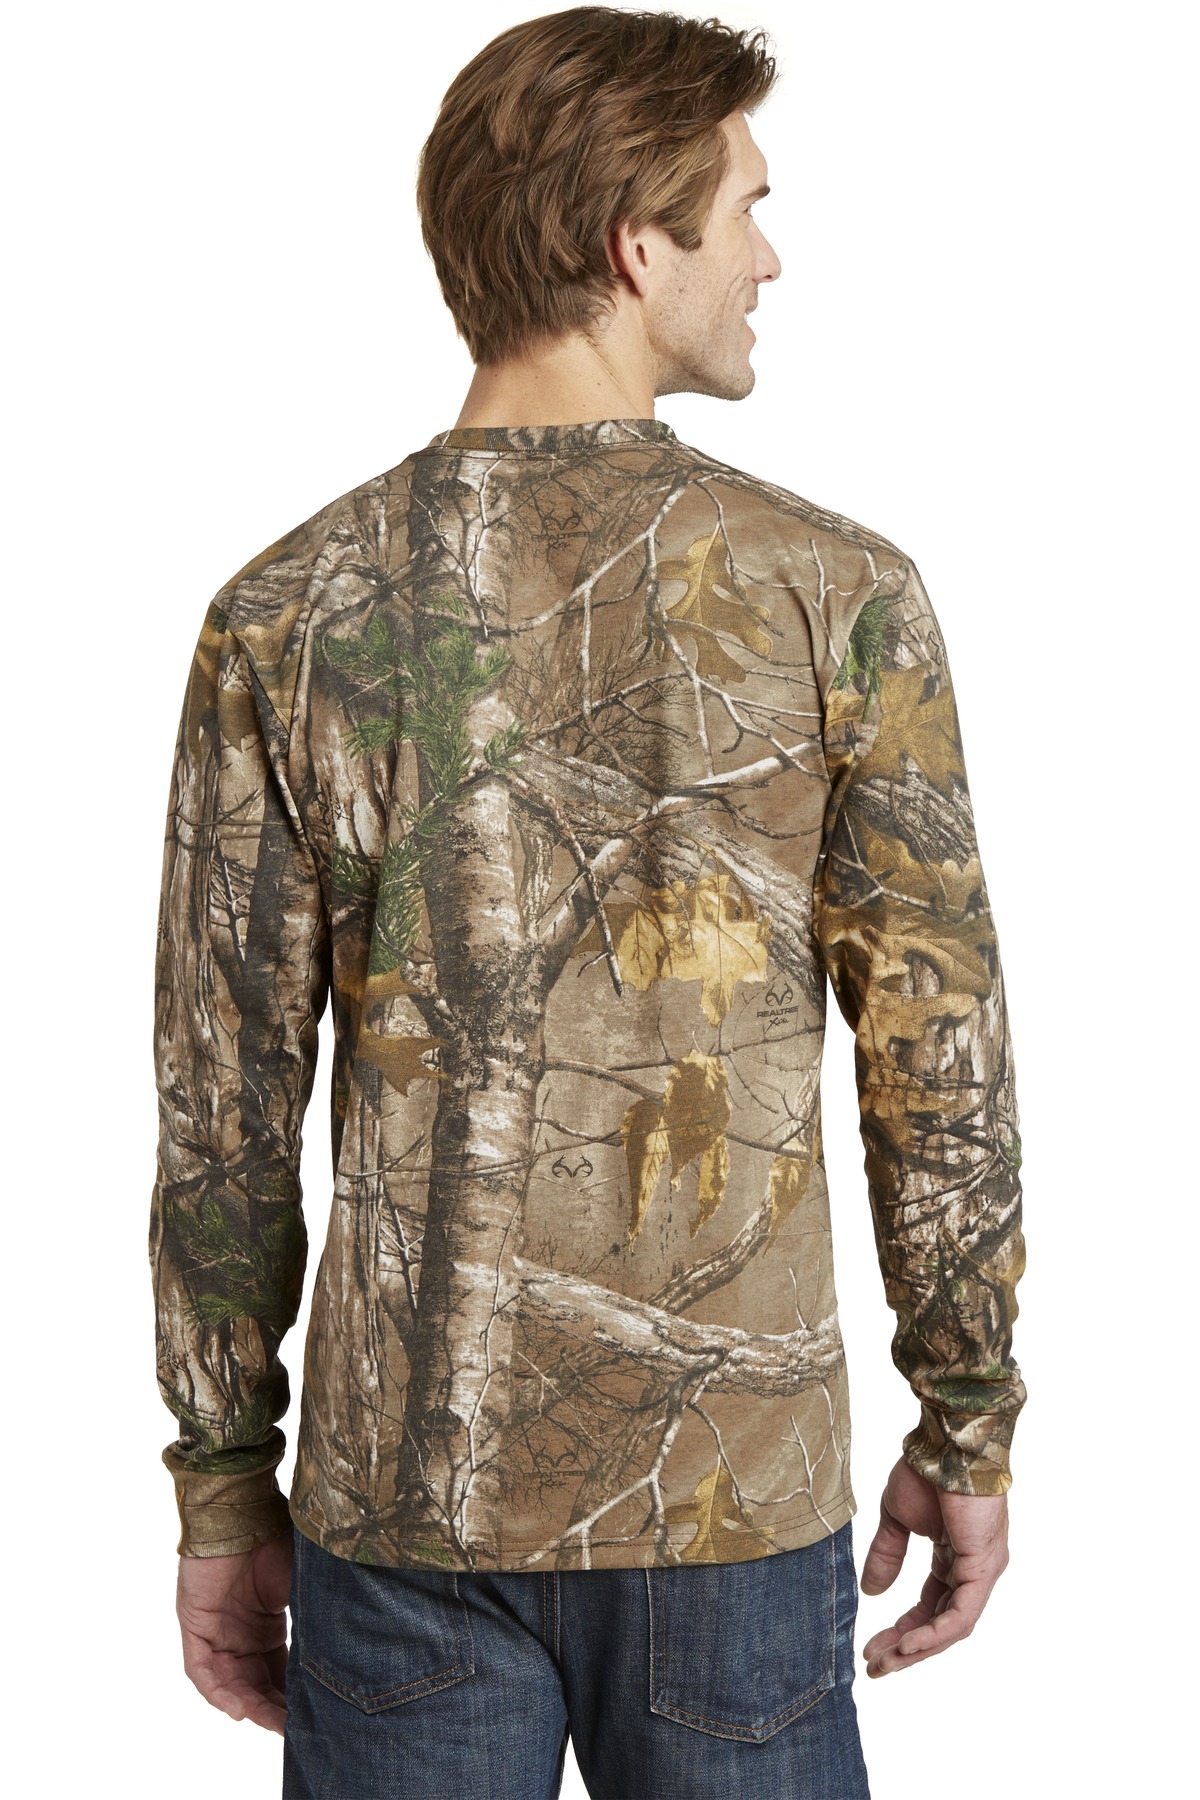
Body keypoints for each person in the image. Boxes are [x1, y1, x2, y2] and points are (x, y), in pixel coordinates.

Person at [150, 8, 1028, 1796]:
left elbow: (219, 1108)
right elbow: (938, 1062)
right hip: (733, 1494)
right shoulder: (837, 594)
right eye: (748, 209)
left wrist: (223, 1480)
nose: (770, 258)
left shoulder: (289, 611)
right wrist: (969, 1420)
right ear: (637, 245)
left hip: (408, 1495)